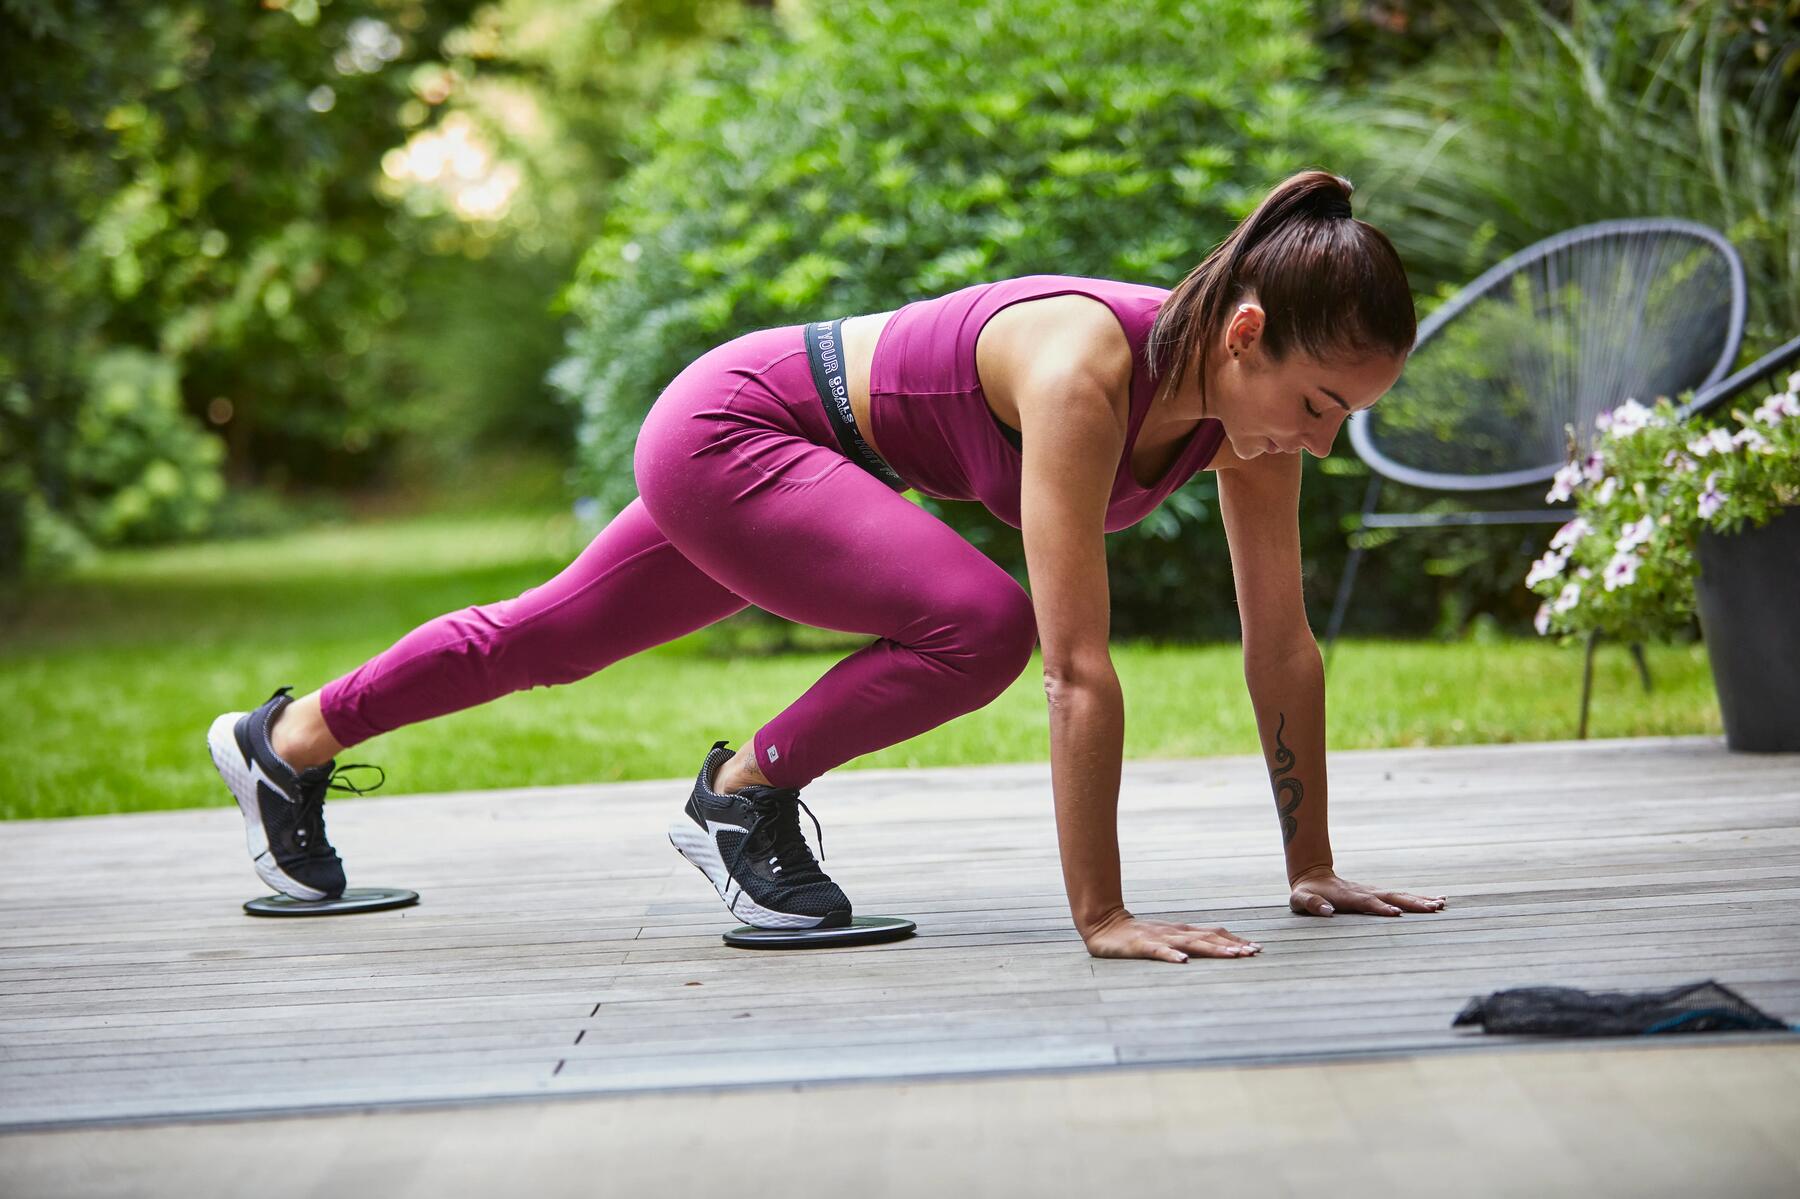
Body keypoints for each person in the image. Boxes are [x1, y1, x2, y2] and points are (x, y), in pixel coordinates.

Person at [207, 167, 1449, 962]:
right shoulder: (1089, 372)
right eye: (1320, 400)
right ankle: (742, 797)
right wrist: (1104, 916)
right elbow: (1075, 669)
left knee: (548, 637)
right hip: (738, 427)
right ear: (1245, 333)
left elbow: (1280, 641)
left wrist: (1311, 866)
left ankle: (288, 743)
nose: (1321, 437)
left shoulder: (1252, 423)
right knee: (985, 622)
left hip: (809, 460)